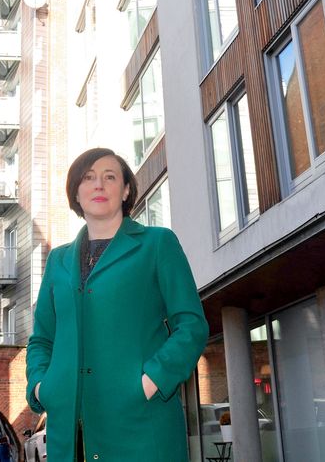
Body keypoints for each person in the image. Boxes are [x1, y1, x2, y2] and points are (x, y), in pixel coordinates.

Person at [26, 147, 209, 462]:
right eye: (88, 177)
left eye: (109, 177)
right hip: (69, 436)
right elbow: (42, 338)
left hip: (141, 427)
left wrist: (149, 383)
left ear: (125, 190)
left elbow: (191, 325)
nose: (99, 185)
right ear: (76, 193)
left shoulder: (157, 244)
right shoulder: (58, 260)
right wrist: (43, 386)